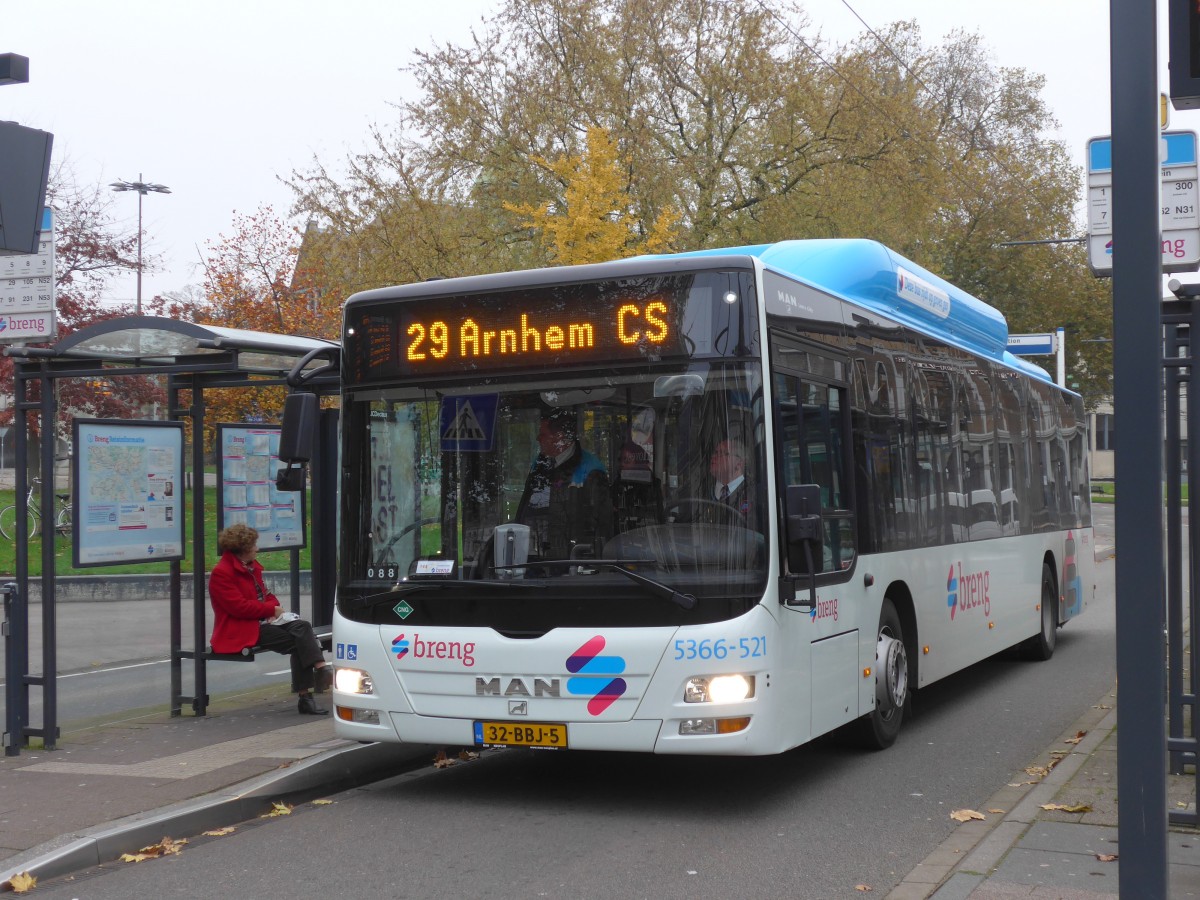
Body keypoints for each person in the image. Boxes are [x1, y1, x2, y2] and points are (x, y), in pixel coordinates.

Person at [209, 523, 332, 715]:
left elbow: (265, 594)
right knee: (300, 642)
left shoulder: (250, 567)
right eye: (253, 546)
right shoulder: (222, 573)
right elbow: (238, 607)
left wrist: (276, 611)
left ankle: (319, 671)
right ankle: (310, 690)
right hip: (241, 629)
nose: (257, 549)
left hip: (262, 622)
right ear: (242, 549)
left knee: (302, 627)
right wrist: (271, 610)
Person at [515, 410, 610, 558]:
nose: (537, 438)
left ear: (559, 438)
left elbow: (600, 525)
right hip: (538, 554)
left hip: (574, 559)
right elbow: (524, 510)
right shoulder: (539, 464)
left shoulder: (591, 470)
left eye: (543, 434)